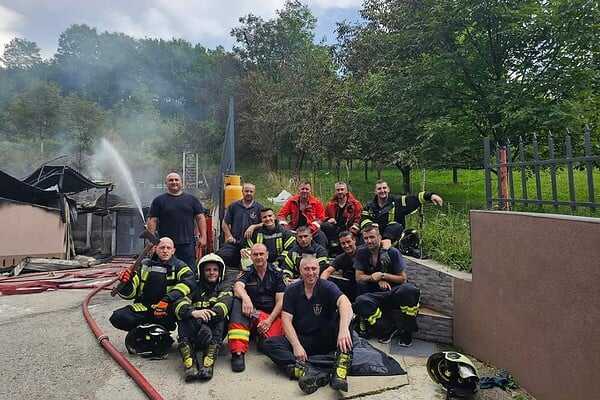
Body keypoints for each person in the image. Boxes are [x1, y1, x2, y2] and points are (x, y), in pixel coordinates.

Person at [261, 257, 354, 394]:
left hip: (326, 338)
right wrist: (296, 345)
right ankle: (312, 372)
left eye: (314, 269)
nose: (310, 273)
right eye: (306, 269)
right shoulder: (291, 290)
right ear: (300, 271)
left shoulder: (327, 286)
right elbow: (286, 320)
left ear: (319, 270)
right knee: (269, 344)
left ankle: (339, 370)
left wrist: (343, 329)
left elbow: (345, 303)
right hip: (304, 340)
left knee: (348, 318)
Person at [110, 237, 197, 334]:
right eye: (162, 247)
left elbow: (189, 282)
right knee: (117, 317)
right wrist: (127, 283)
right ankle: (144, 331)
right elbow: (130, 294)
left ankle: (167, 332)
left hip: (167, 308)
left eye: (168, 248)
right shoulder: (144, 265)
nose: (165, 251)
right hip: (146, 306)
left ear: (173, 251)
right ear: (155, 248)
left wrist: (167, 300)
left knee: (187, 313)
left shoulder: (180, 266)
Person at [353, 224, 420, 346]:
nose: (369, 241)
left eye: (372, 237)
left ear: (379, 237)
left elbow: (403, 279)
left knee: (409, 290)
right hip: (377, 294)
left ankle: (407, 331)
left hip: (395, 291)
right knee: (361, 301)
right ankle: (387, 329)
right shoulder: (362, 252)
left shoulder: (392, 252)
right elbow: (359, 277)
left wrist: (383, 275)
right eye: (366, 238)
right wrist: (374, 278)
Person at [227, 243, 286, 372]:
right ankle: (238, 352)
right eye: (255, 254)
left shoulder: (277, 274)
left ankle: (259, 337)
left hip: (270, 316)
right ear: (251, 257)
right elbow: (237, 286)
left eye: (261, 254)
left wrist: (269, 321)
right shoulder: (248, 271)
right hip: (251, 314)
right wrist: (246, 298)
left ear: (267, 255)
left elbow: (281, 301)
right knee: (237, 301)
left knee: (273, 343)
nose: (259, 257)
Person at [174, 253, 232, 381]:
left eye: (215, 269)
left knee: (221, 320)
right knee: (182, 317)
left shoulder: (224, 286)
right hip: (195, 332)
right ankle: (190, 363)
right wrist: (192, 313)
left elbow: (223, 307)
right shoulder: (194, 286)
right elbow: (178, 303)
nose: (212, 273)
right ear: (201, 271)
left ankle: (208, 362)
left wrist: (201, 320)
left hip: (213, 332)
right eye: (208, 270)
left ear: (220, 272)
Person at [147, 172, 207, 269]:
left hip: (187, 244)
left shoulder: (192, 200)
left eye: (176, 180)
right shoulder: (158, 201)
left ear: (181, 183)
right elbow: (152, 220)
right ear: (166, 183)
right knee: (163, 271)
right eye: (171, 180)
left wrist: (203, 237)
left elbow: (200, 218)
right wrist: (152, 241)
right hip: (165, 245)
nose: (174, 182)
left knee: (188, 271)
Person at [360, 180, 443, 248]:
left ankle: (384, 246)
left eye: (384, 188)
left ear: (388, 189)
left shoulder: (398, 201)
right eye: (379, 189)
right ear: (375, 191)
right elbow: (363, 219)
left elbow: (413, 198)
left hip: (393, 238)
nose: (382, 191)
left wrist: (430, 196)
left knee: (395, 225)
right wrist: (371, 226)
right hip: (374, 236)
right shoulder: (369, 205)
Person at [218, 183, 263, 269]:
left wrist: (253, 226)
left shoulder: (259, 208)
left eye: (251, 191)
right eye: (246, 191)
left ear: (254, 192)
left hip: (251, 245)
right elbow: (225, 223)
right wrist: (228, 235)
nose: (249, 193)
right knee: (221, 256)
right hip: (235, 242)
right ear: (242, 191)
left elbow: (264, 223)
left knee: (248, 266)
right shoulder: (234, 206)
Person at [277, 181, 328, 247]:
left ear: (310, 190)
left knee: (321, 237)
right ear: (299, 190)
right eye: (302, 189)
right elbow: (281, 215)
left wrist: (310, 230)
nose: (304, 191)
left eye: (307, 189)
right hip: (294, 230)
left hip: (312, 230)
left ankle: (323, 254)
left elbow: (321, 219)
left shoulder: (316, 202)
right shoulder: (292, 201)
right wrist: (285, 226)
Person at [320, 182, 362, 254]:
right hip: (334, 231)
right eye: (338, 190)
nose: (340, 192)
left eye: (342, 189)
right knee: (325, 226)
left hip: (349, 230)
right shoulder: (330, 205)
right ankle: (330, 250)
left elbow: (359, 217)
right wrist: (328, 220)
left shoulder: (355, 204)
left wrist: (355, 226)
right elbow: (323, 217)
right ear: (335, 192)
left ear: (346, 191)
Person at [320, 231, 358, 301]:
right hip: (350, 286)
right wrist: (321, 285)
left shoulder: (363, 252)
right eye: (343, 243)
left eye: (348, 242)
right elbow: (327, 271)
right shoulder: (341, 258)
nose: (346, 245)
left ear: (354, 240)